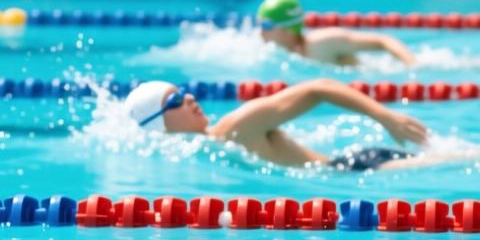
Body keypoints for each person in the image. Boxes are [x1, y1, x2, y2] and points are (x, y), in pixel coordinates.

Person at [123, 78, 426, 170]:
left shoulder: (234, 128)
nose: (189, 98)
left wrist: (385, 116)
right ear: (159, 125)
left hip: (362, 166)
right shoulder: (194, 156)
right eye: (175, 100)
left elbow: (317, 88)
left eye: (182, 92)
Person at [257, 0, 417, 66]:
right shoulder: (275, 56)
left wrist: (412, 65)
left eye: (266, 25)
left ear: (289, 29)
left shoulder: (323, 43)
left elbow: (383, 40)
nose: (260, 32)